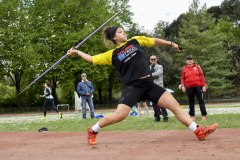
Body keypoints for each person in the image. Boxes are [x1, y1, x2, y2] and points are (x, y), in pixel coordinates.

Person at [67, 26, 218, 145]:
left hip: (149, 85)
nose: (124, 32)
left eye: (123, 30)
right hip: (133, 87)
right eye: (120, 32)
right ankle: (93, 130)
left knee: (175, 106)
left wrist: (171, 44)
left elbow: (154, 41)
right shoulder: (111, 54)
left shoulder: (135, 41)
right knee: (119, 116)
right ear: (114, 37)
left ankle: (199, 131)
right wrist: (78, 52)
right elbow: (92, 59)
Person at [180, 55, 208, 121]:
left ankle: (204, 115)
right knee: (191, 101)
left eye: (191, 59)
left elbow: (202, 76)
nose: (190, 61)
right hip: (189, 87)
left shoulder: (197, 66)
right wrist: (182, 86)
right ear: (186, 61)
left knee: (201, 100)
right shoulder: (184, 68)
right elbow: (182, 78)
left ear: (192, 60)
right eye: (188, 59)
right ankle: (192, 115)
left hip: (198, 86)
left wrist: (204, 85)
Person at [149, 55, 169, 122]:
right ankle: (157, 117)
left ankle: (165, 117)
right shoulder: (148, 67)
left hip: (159, 86)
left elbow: (158, 74)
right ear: (150, 60)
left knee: (162, 102)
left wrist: (149, 75)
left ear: (156, 59)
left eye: (154, 59)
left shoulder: (160, 66)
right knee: (154, 103)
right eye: (152, 59)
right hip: (151, 87)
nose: (153, 60)